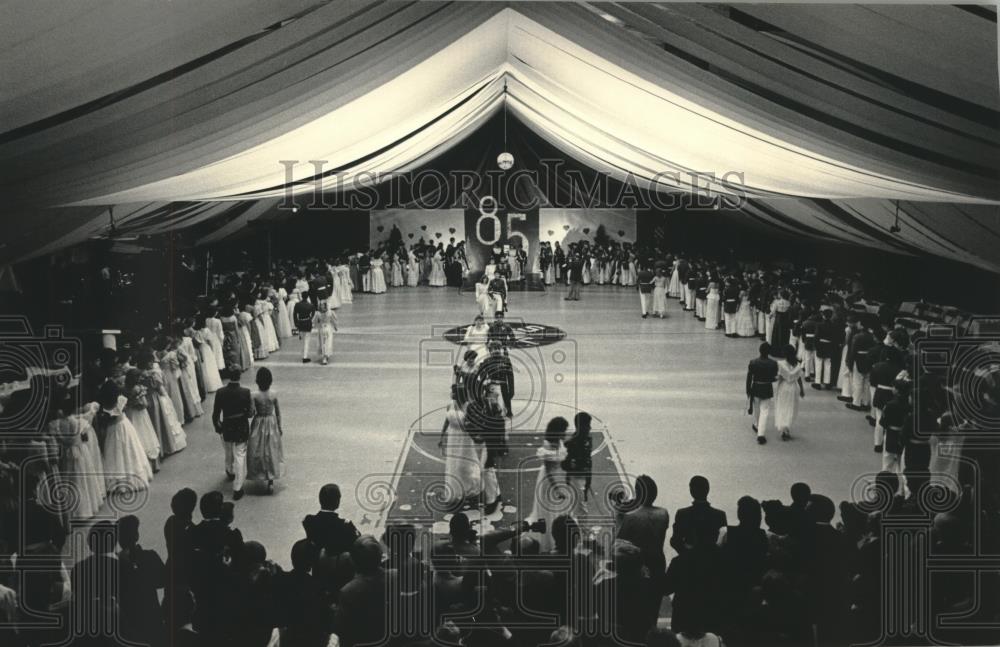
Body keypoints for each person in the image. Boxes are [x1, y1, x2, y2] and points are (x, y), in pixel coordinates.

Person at [117, 515, 166, 647]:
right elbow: (162, 581)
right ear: (137, 535)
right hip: (151, 613)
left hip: (127, 617)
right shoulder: (150, 556)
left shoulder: (113, 564)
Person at [96, 380, 153, 493]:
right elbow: (122, 409)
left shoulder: (104, 406)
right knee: (129, 451)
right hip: (124, 425)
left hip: (112, 430)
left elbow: (107, 419)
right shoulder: (120, 400)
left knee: (116, 454)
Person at [615, 474, 670, 590]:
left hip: (637, 566)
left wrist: (619, 511)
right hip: (657, 565)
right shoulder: (663, 514)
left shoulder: (631, 517)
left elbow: (618, 541)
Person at [527, 417, 570, 551]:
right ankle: (550, 541)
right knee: (550, 509)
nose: (565, 433)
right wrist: (557, 489)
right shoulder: (547, 445)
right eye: (563, 431)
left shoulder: (560, 441)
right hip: (549, 481)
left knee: (561, 508)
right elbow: (549, 471)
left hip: (560, 476)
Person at [212, 366, 254, 500]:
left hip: (227, 426)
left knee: (228, 450)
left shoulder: (220, 392)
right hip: (241, 427)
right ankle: (237, 487)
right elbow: (250, 413)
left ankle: (229, 470)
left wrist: (218, 426)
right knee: (240, 454)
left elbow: (215, 414)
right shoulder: (246, 392)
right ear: (240, 376)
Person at [439, 387, 482, 507]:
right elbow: (446, 421)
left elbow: (473, 423)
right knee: (453, 465)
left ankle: (470, 488)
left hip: (464, 439)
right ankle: (457, 490)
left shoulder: (468, 406)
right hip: (453, 437)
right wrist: (442, 436)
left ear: (459, 394)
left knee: (464, 465)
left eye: (453, 392)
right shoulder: (450, 404)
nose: (451, 393)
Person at [247, 367, 284, 495]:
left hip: (258, 423)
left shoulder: (254, 395)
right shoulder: (274, 394)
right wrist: (279, 426)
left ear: (257, 381)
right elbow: (278, 413)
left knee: (257, 450)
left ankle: (259, 474)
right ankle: (271, 479)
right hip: (271, 423)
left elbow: (251, 413)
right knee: (271, 451)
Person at [670, 475, 727, 554]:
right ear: (707, 489)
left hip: (688, 561)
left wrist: (686, 554)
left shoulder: (682, 514)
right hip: (711, 562)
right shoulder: (720, 515)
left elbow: (675, 541)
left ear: (691, 491)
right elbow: (724, 543)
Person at [302, 483, 361, 558]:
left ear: (320, 500)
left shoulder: (309, 521)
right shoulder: (345, 525)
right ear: (337, 502)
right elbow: (358, 541)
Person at [563, 411, 594, 516]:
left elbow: (589, 461)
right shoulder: (571, 444)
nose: (590, 428)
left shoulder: (588, 439)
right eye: (588, 425)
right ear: (581, 427)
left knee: (582, 504)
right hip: (576, 480)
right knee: (577, 510)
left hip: (585, 479)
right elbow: (566, 465)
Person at [775, 344, 805, 441]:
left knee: (782, 407)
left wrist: (777, 388)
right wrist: (802, 389)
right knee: (790, 407)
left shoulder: (781, 364)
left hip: (784, 387)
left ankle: (783, 428)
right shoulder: (798, 365)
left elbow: (780, 378)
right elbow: (799, 378)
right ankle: (787, 428)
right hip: (793, 388)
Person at [312, 296, 338, 365]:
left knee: (322, 342)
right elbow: (334, 320)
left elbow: (314, 322)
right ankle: (326, 356)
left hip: (321, 328)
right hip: (328, 328)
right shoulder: (330, 312)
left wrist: (314, 325)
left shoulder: (317, 313)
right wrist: (335, 327)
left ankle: (324, 357)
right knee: (328, 342)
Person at [294, 293, 316, 364]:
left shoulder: (297, 305)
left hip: (300, 323)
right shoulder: (311, 305)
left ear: (301, 296)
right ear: (307, 297)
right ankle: (305, 357)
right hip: (307, 323)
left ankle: (303, 354)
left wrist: (296, 323)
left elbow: (294, 314)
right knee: (307, 341)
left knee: (303, 340)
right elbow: (313, 314)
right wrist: (310, 319)